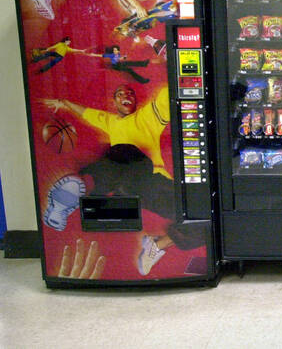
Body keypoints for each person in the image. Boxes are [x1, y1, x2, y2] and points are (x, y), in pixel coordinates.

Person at [43, 85, 205, 276]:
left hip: (151, 184)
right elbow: (87, 113)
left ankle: (157, 245)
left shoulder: (146, 116)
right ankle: (75, 192)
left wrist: (181, 76)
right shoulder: (110, 121)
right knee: (122, 153)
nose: (125, 96)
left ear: (135, 100)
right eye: (120, 94)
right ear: (114, 102)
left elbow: (166, 96)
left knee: (202, 212)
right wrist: (65, 103)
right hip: (122, 184)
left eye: (130, 93)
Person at [87, 45, 151, 84]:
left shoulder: (116, 54)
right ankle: (142, 80)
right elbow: (101, 56)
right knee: (130, 70)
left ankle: (143, 63)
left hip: (117, 64)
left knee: (129, 63)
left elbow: (118, 58)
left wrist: (123, 57)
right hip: (115, 66)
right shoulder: (109, 55)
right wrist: (93, 54)